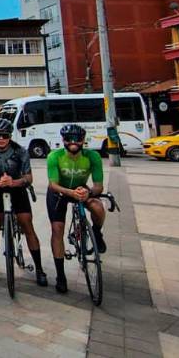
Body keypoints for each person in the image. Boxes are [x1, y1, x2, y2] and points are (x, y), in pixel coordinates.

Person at [0, 118, 47, 286]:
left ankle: (39, 269)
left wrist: (13, 183)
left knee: (27, 224)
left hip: (17, 188)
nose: (1, 138)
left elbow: (29, 177)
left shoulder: (20, 151)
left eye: (5, 135)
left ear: (10, 135)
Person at [46, 124, 106, 294]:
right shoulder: (54, 156)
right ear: (63, 140)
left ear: (83, 141)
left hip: (81, 189)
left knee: (98, 206)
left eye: (77, 139)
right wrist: (71, 193)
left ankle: (96, 232)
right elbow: (54, 184)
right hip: (59, 192)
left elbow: (99, 185)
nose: (73, 142)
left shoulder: (92, 156)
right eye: (69, 139)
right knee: (57, 230)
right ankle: (60, 276)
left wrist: (88, 192)